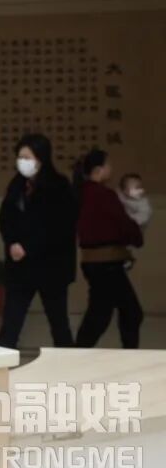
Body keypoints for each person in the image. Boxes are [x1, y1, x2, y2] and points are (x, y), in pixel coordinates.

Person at [0, 134, 77, 349]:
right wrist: (12, 242)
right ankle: (1, 363)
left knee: (59, 324)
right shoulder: (17, 185)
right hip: (20, 267)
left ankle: (70, 364)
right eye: (20, 157)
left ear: (41, 158)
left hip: (51, 267)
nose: (22, 162)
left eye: (27, 157)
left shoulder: (59, 186)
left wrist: (28, 247)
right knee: (11, 324)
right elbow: (4, 217)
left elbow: (60, 227)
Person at [73, 149, 144, 348]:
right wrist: (136, 236)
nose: (111, 169)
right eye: (108, 165)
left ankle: (79, 353)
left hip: (94, 263)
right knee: (124, 313)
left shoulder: (80, 193)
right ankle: (128, 355)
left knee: (104, 313)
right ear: (99, 169)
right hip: (107, 264)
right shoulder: (103, 195)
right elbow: (123, 225)